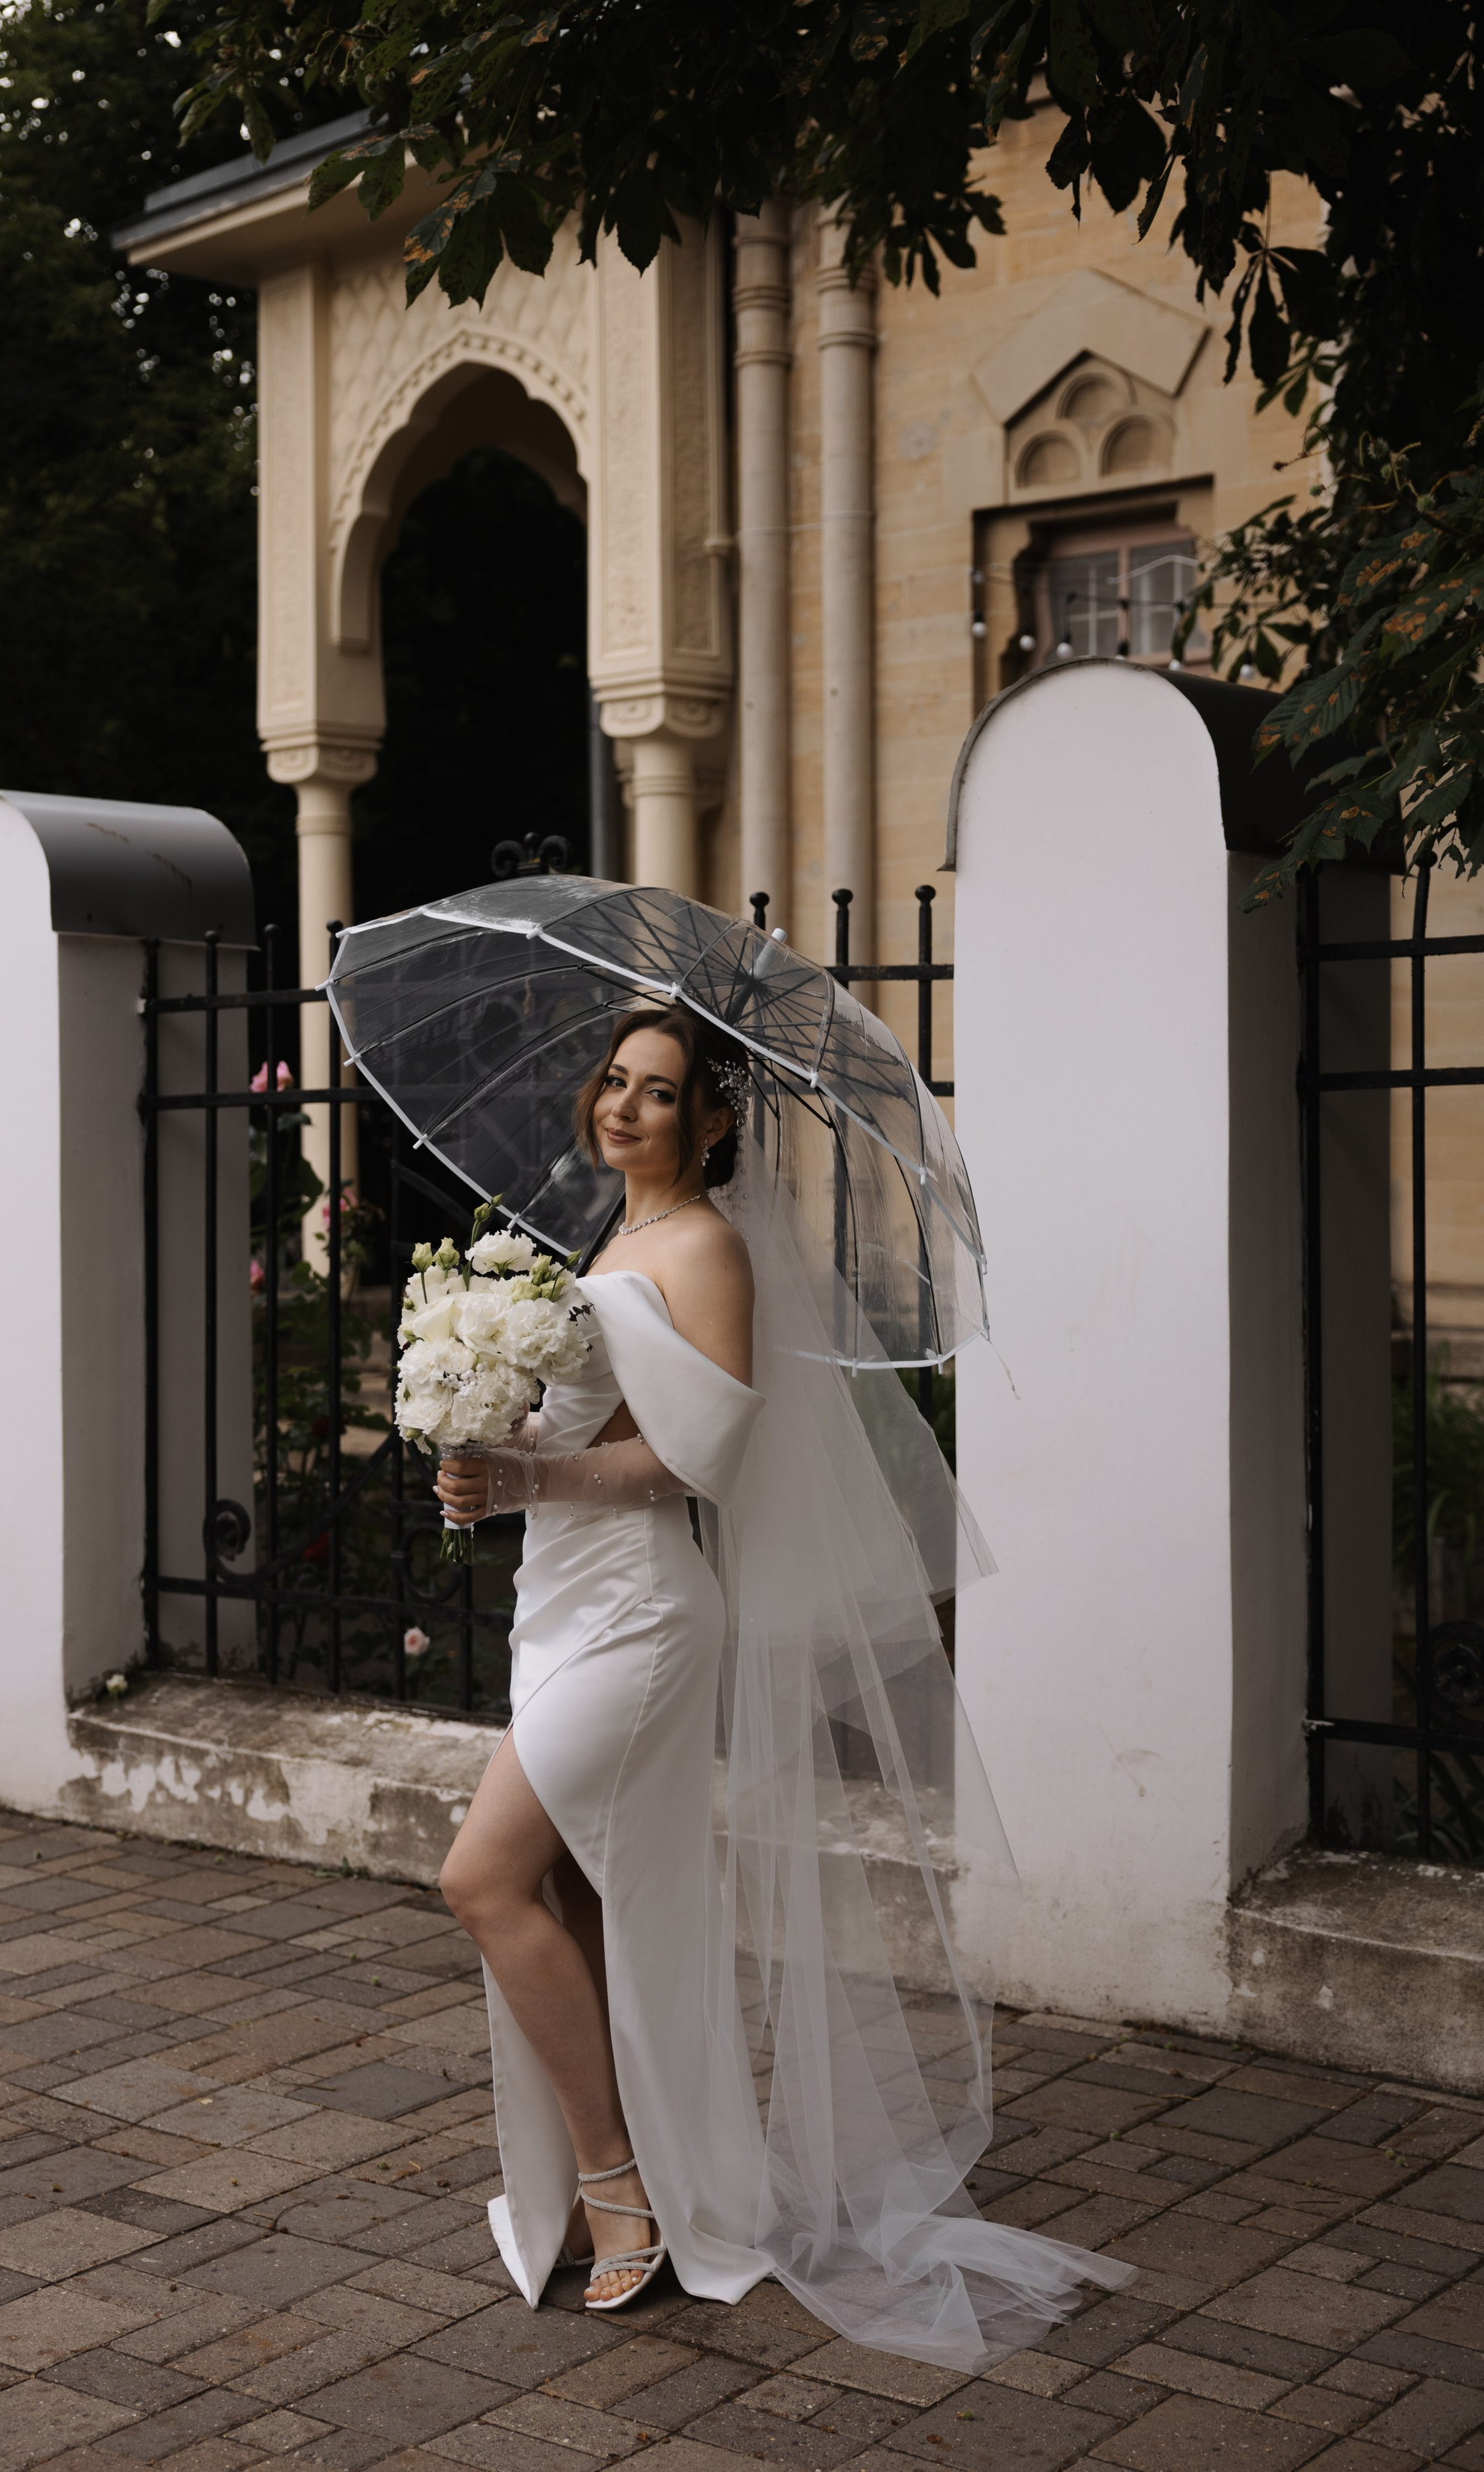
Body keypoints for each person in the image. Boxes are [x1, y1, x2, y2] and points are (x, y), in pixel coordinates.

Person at [435, 1005, 1130, 2354]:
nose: (622, 1106)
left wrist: (530, 1474)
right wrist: (483, 1429)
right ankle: (629, 2170)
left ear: (711, 1121)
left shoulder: (704, 1246)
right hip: (562, 1597)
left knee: (482, 1879)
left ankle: (619, 2190)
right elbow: (602, 1416)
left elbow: (695, 1462)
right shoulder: (613, 1240)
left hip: (639, 1612)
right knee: (576, 1890)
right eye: (615, 1081)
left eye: (658, 1091)